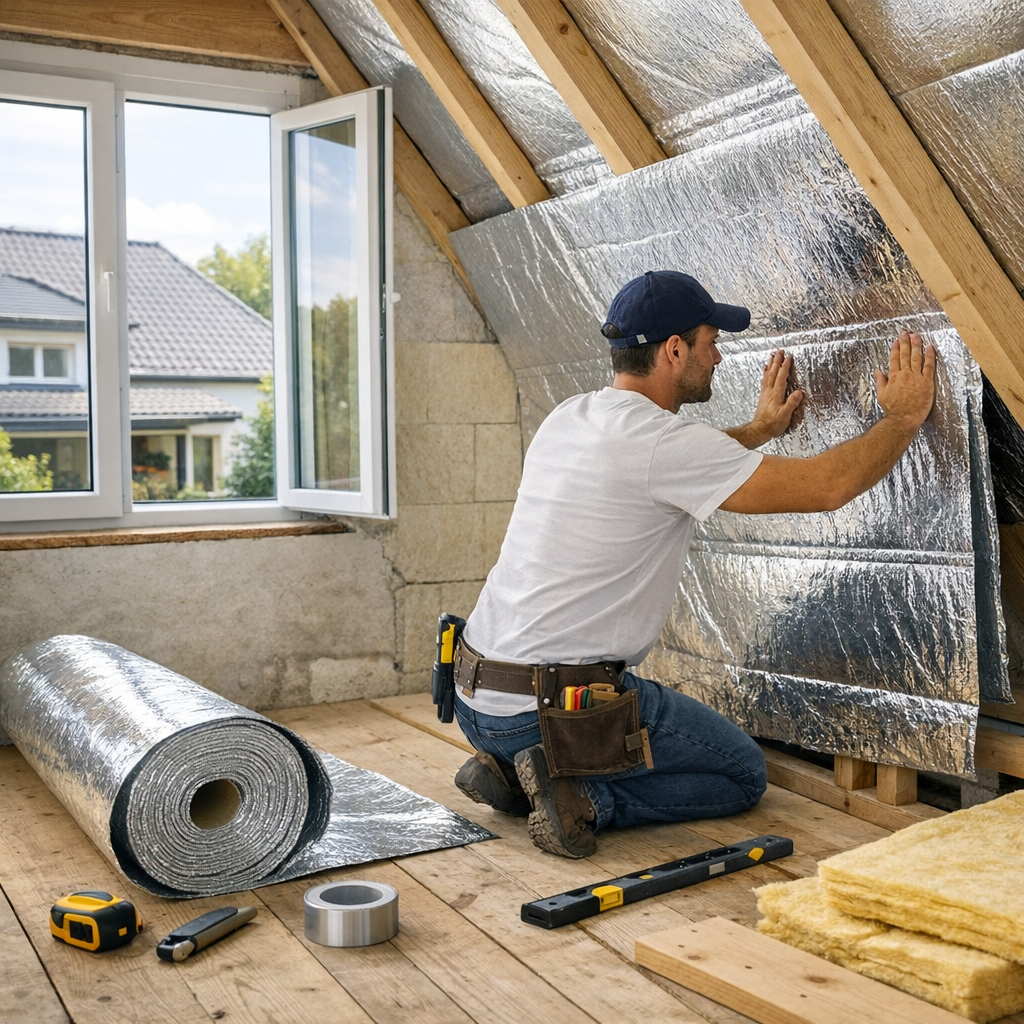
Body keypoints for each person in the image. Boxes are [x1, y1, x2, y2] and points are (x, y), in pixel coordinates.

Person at [451, 269, 936, 858]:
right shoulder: (663, 445)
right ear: (674, 350)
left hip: (476, 700)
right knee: (739, 774)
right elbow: (829, 487)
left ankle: (510, 771)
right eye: (711, 341)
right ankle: (584, 800)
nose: (720, 356)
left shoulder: (571, 417)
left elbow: (664, 468)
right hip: (552, 713)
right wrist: (902, 419)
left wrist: (759, 431)